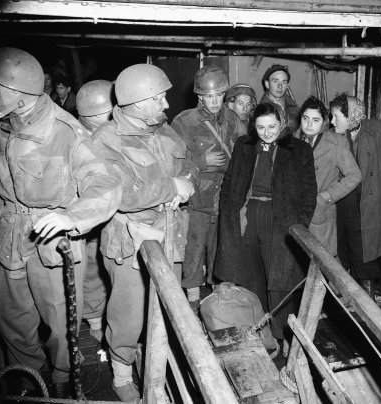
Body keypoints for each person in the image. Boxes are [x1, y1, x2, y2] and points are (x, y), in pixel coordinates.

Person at [0, 47, 121, 395]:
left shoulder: (65, 130)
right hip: (9, 235)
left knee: (61, 323)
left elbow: (106, 184)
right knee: (11, 320)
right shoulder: (1, 124)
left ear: (19, 95)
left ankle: (64, 383)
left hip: (53, 240)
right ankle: (28, 381)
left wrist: (72, 217)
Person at [93, 63, 197, 401]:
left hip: (169, 234)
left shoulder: (164, 131)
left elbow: (185, 168)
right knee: (129, 312)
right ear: (137, 102)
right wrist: (170, 188)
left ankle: (160, 365)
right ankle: (122, 376)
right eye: (160, 99)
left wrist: (187, 185)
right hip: (130, 240)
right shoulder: (106, 141)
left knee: (168, 307)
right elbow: (116, 195)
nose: (167, 105)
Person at [215, 102, 317, 342]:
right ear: (254, 126)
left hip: (281, 218)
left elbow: (309, 192)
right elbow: (230, 183)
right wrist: (230, 212)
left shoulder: (299, 149)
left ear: (281, 123)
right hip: (249, 214)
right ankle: (260, 333)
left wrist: (299, 223)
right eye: (261, 127)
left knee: (280, 280)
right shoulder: (244, 145)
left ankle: (284, 335)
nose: (267, 132)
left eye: (272, 126)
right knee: (251, 274)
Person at [172, 65, 245, 309]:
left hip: (225, 195)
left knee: (220, 246)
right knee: (194, 246)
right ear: (199, 96)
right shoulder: (184, 122)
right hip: (197, 197)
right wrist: (202, 162)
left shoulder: (234, 120)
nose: (214, 101)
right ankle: (192, 296)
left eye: (218, 95)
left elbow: (245, 153)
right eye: (208, 96)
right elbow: (174, 162)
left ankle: (218, 293)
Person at [331, 94, 381, 297]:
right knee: (347, 245)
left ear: (351, 115)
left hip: (371, 199)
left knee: (369, 246)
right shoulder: (335, 135)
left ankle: (372, 291)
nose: (332, 121)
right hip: (345, 199)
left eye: (336, 116)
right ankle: (352, 290)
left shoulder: (377, 129)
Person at [295, 96, 361, 254]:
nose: (309, 124)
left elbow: (354, 175)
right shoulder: (291, 141)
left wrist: (326, 197)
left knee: (321, 264)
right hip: (294, 213)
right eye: (305, 118)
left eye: (315, 120)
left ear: (324, 121)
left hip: (319, 214)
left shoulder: (335, 143)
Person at [76, 79, 115, 342]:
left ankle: (106, 319)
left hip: (115, 215)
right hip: (91, 219)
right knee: (91, 269)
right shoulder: (78, 139)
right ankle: (94, 320)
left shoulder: (114, 133)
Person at [259, 64, 299, 131]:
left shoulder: (295, 109)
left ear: (287, 85)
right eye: (275, 81)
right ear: (267, 84)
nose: (280, 86)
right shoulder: (260, 112)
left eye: (284, 82)